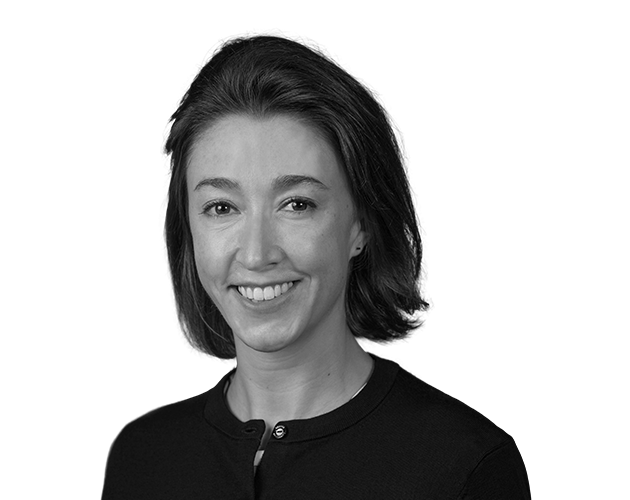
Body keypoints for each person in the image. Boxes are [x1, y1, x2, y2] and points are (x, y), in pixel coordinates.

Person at [100, 28, 530, 499]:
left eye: (297, 204)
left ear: (361, 224)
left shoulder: (465, 466)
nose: (257, 253)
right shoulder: (140, 457)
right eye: (222, 207)